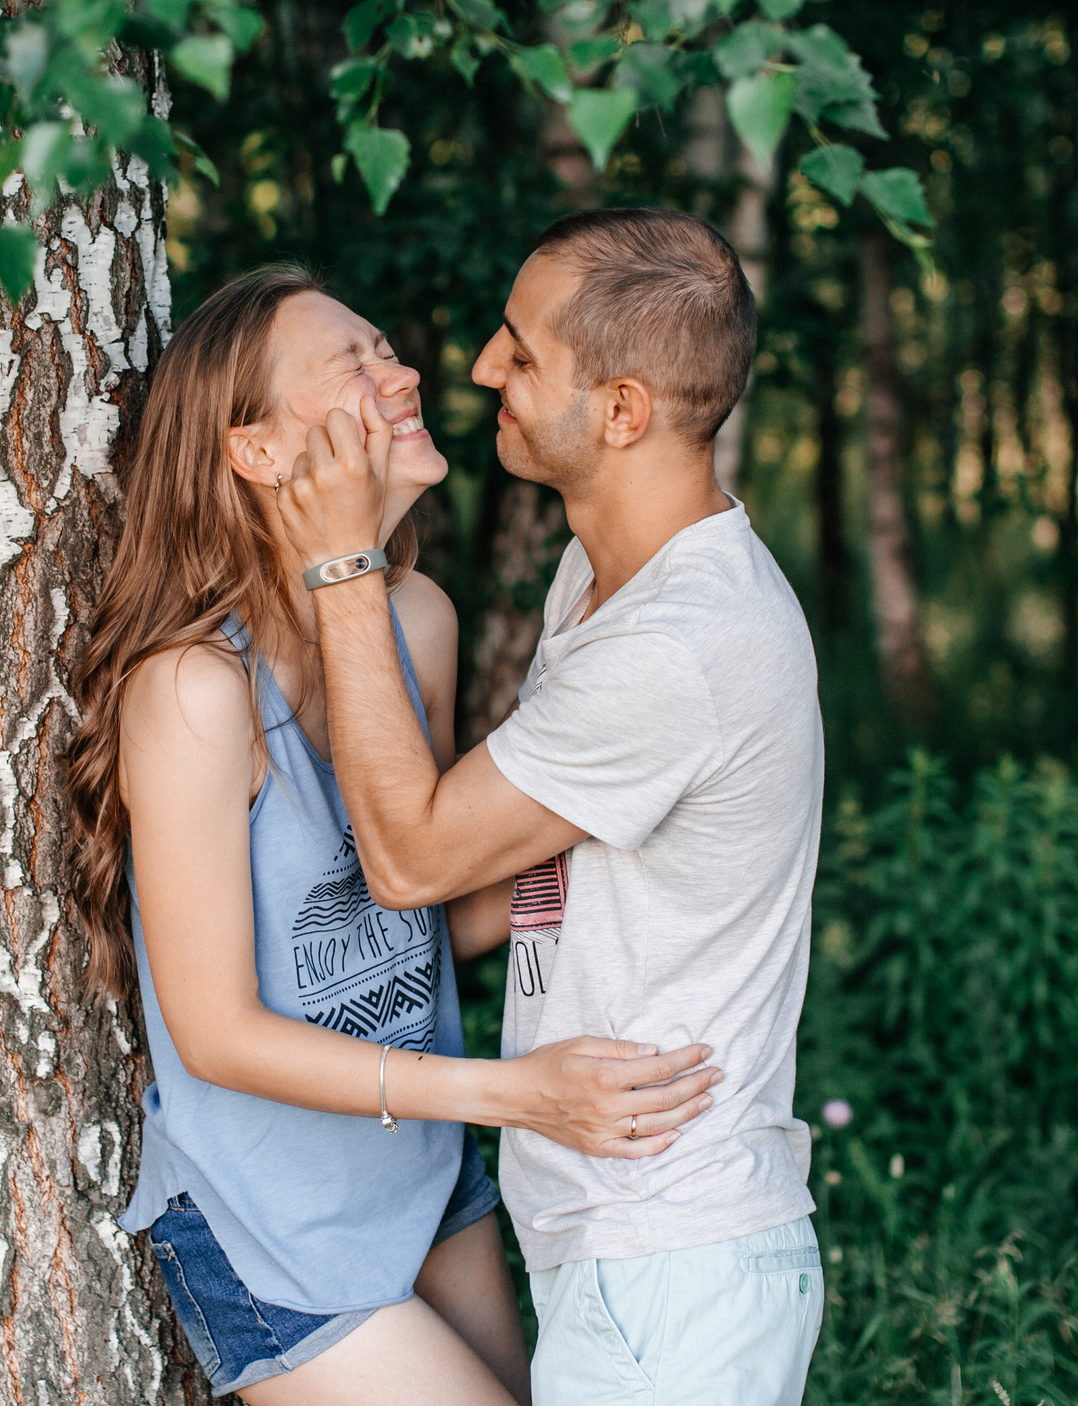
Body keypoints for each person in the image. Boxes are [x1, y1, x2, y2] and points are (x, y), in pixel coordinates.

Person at [64, 266, 722, 1403]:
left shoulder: (417, 623)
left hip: (421, 1164)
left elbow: (417, 907)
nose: (404, 371)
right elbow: (216, 1034)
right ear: (256, 453)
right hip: (272, 1220)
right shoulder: (192, 693)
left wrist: (641, 843)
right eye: (353, 365)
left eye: (386, 344)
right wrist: (514, 1093)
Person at [272, 209, 829, 1405]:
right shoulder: (607, 577)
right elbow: (520, 887)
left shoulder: (676, 647)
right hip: (623, 1241)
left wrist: (339, 566)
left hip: (672, 1256)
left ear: (623, 411)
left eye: (520, 354)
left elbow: (415, 862)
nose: (479, 369)